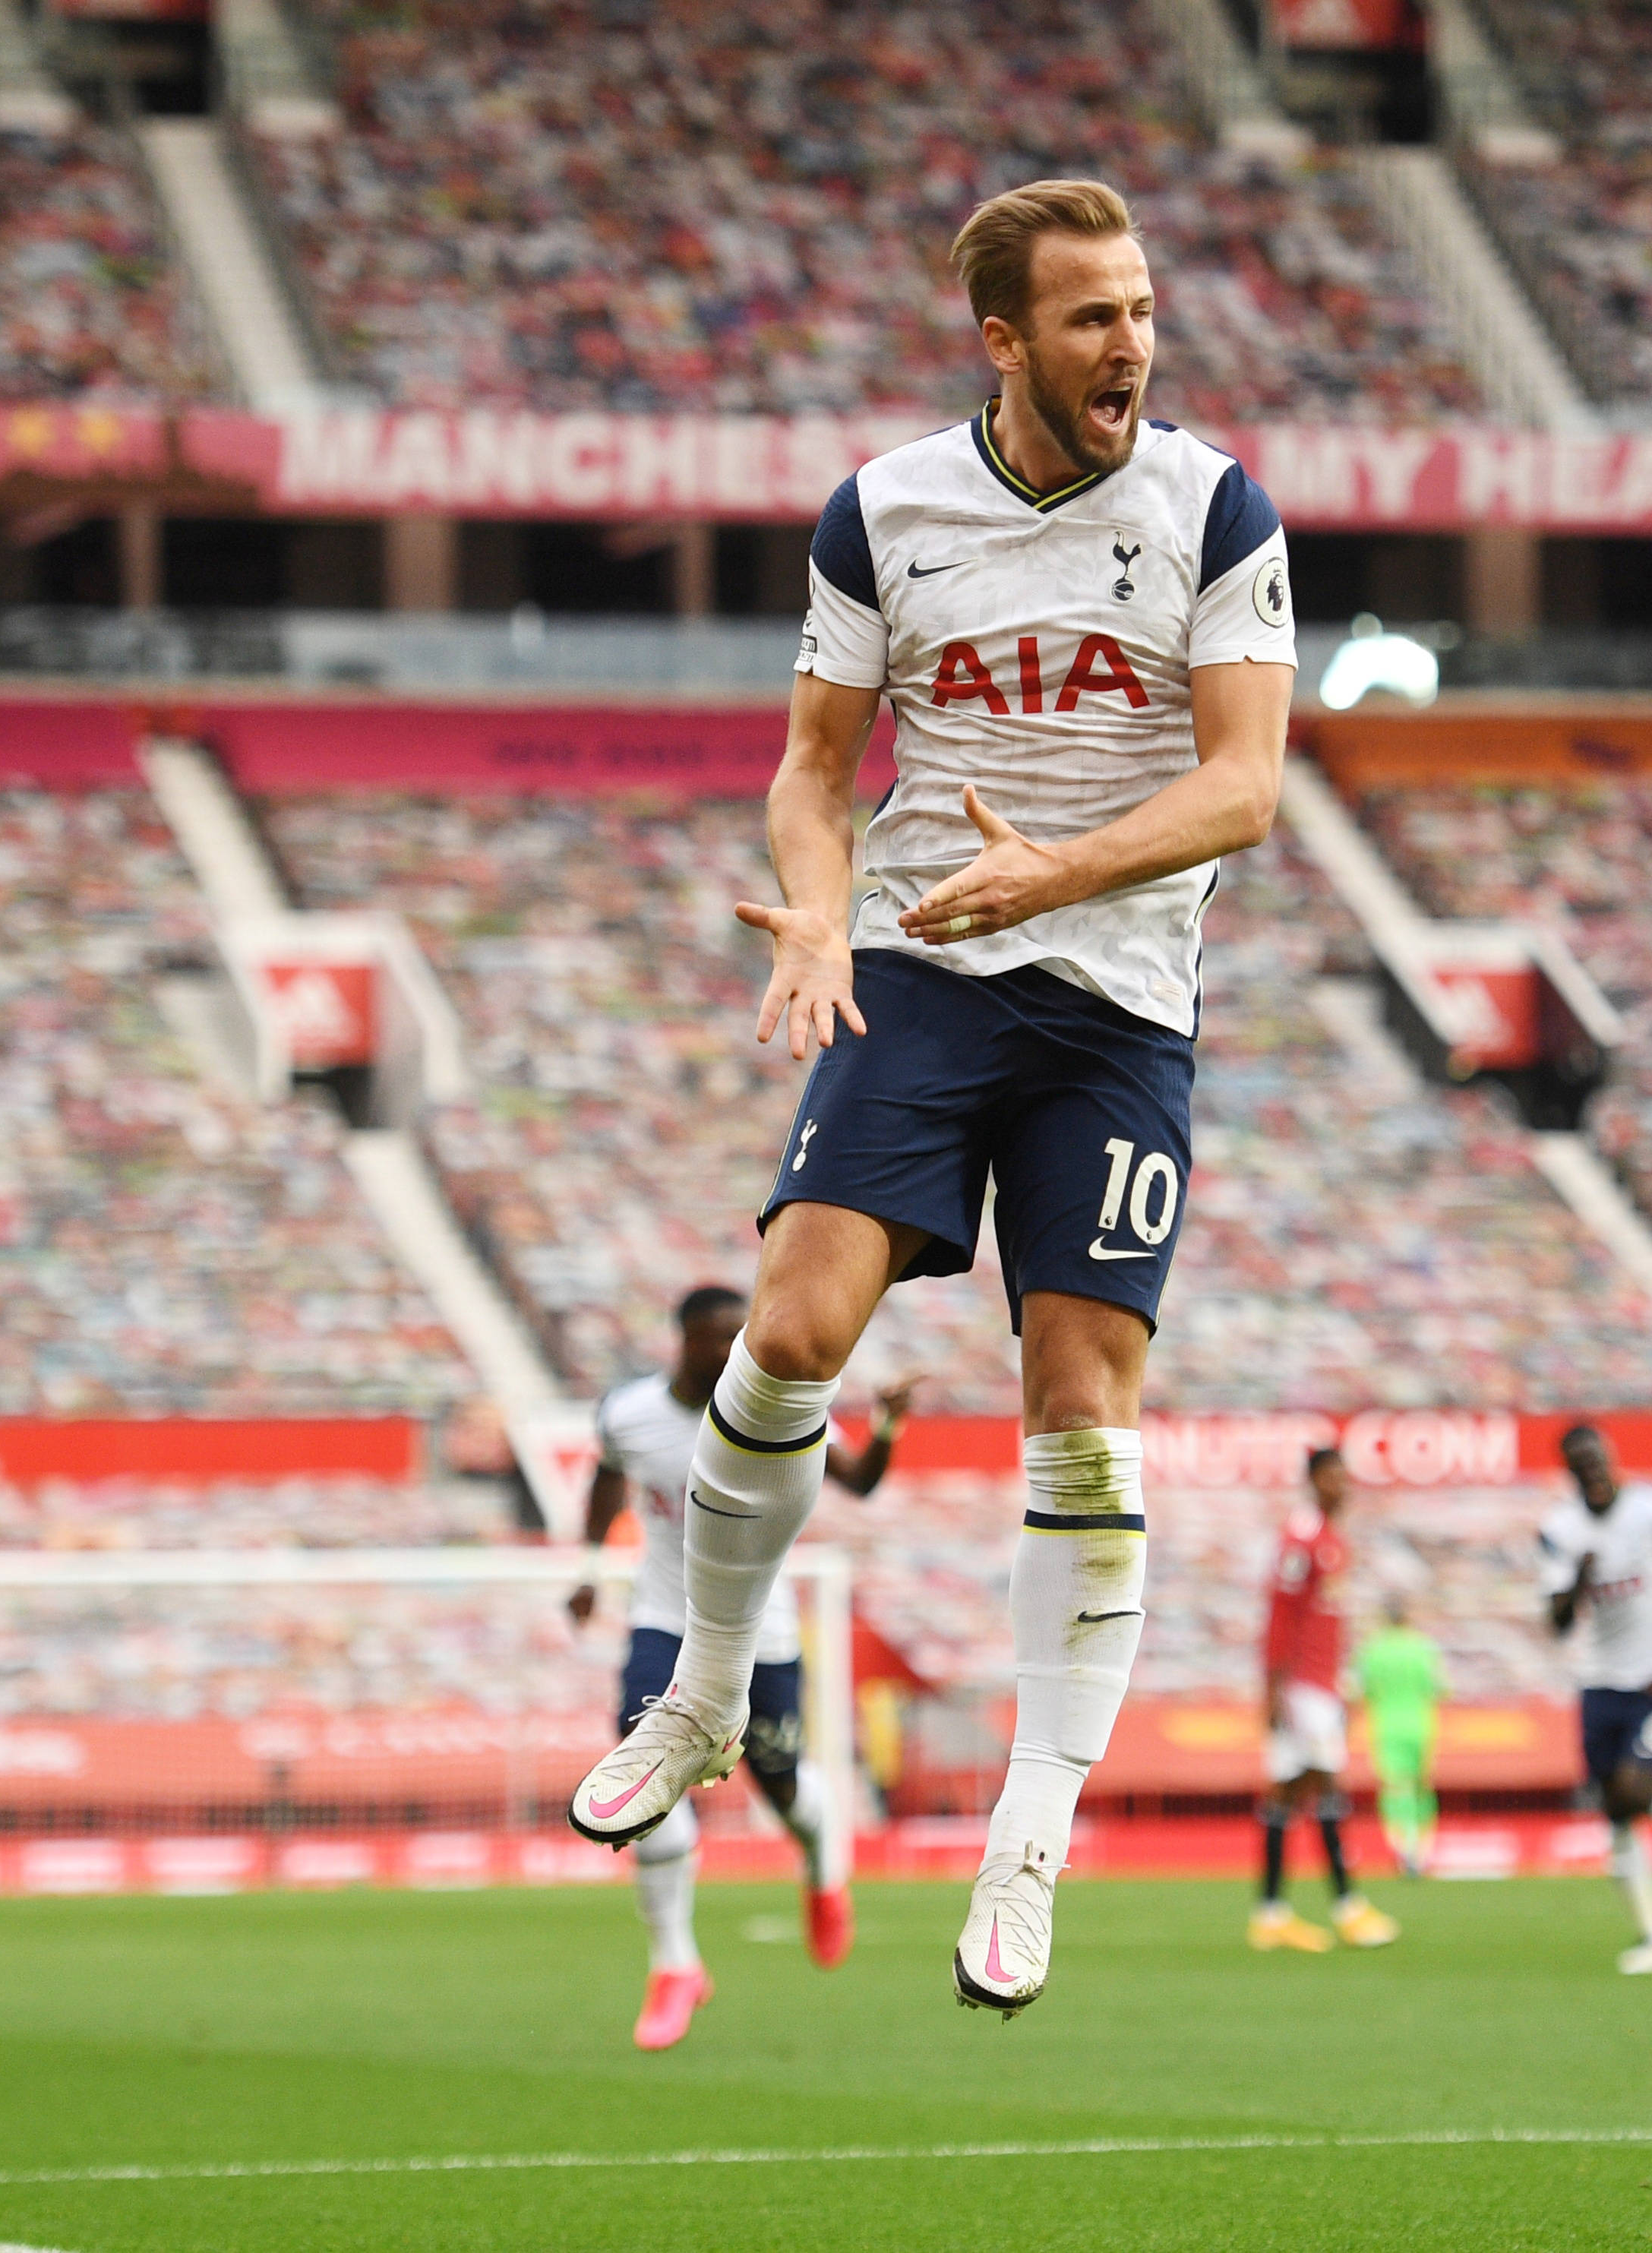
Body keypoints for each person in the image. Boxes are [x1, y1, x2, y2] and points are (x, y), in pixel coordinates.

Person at [566, 176, 1298, 2024]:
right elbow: (815, 770)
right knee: (794, 1325)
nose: (1130, 342)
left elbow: (1244, 788)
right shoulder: (884, 510)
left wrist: (1045, 874)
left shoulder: (1213, 504)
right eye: (1089, 317)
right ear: (1003, 340)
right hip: (917, 967)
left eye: (1140, 308)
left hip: (1114, 1001)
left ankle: (1032, 1822)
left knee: (1081, 1403)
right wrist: (822, 907)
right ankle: (706, 1690)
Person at [573, 1284, 917, 2049]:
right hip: (665, 1623)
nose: (734, 1348)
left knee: (784, 1787)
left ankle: (823, 1864)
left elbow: (857, 1480)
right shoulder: (627, 1414)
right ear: (684, 1339)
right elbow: (603, 1477)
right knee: (639, 1780)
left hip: (762, 1635)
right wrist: (589, 1566)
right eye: (718, 1335)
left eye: (742, 1333)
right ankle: (675, 1964)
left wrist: (888, 1424)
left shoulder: (771, 1411)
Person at [1540, 1424, 1652, 1977]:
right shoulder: (1559, 1531)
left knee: (1632, 1792)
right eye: (1576, 1466)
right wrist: (1579, 1582)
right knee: (1614, 1810)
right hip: (1598, 1683)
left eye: (1595, 1461)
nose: (1589, 1473)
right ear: (1568, 1473)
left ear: (1610, 1460)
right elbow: (1558, 1622)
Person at [1252, 1449, 1398, 1951]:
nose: (1342, 1485)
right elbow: (1280, 1613)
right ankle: (1347, 1907)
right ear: (1313, 1481)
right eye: (1332, 1477)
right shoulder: (1303, 1537)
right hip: (1301, 1686)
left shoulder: (1332, 1539)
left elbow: (1326, 1618)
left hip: (1320, 1683)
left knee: (1288, 1792)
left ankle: (1270, 1914)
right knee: (1326, 1786)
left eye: (1344, 1476)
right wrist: (1273, 1688)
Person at [1355, 1589, 1447, 1880]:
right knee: (1422, 1787)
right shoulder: (1422, 1647)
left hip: (1386, 1726)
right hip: (1421, 1725)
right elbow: (1440, 1687)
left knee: (1395, 1789)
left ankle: (1402, 1849)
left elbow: (1360, 1690)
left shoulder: (1372, 1649)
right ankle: (1421, 1849)